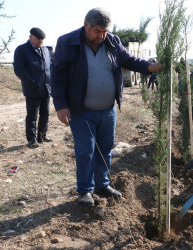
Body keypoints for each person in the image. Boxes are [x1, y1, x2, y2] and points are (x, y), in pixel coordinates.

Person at [51, 8, 162, 207]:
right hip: (81, 110)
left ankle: (102, 184)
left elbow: (128, 60)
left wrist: (148, 67)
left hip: (108, 110)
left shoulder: (112, 41)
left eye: (105, 31)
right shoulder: (67, 42)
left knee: (105, 148)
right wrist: (60, 106)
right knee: (86, 151)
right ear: (86, 25)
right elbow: (57, 76)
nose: (101, 36)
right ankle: (85, 190)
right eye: (97, 31)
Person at [13, 27, 52, 149]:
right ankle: (31, 140)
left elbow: (49, 67)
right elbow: (19, 69)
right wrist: (31, 82)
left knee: (45, 114)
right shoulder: (22, 50)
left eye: (42, 39)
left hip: (46, 88)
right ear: (31, 37)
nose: (41, 41)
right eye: (38, 38)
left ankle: (42, 136)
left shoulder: (45, 50)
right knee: (32, 116)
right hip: (32, 89)